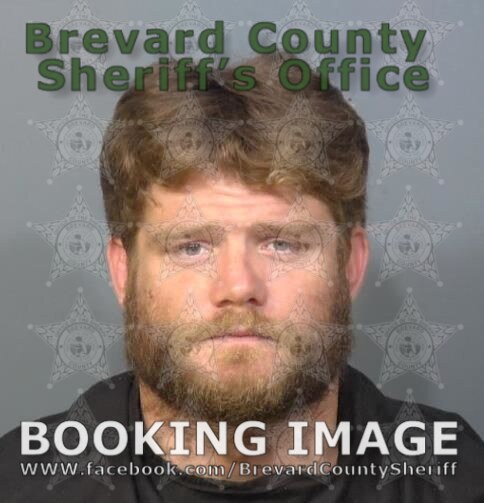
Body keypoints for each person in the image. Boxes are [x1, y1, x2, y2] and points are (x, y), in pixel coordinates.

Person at [1, 54, 483, 502]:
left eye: (283, 244)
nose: (238, 286)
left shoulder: (459, 480)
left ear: (350, 264)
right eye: (191, 247)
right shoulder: (20, 485)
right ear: (122, 270)